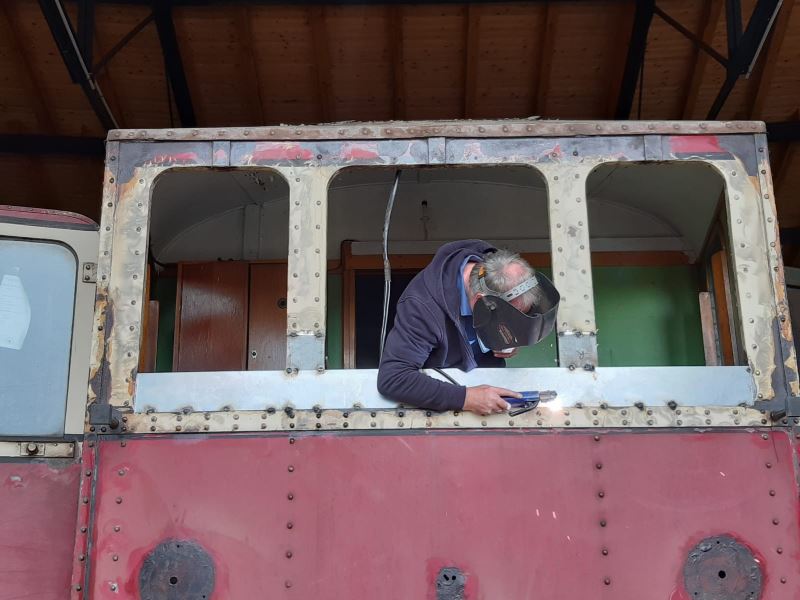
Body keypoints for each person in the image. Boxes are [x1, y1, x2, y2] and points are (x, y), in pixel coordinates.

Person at [377, 240, 558, 415]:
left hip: (489, 394)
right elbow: (394, 378)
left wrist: (509, 336)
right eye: (507, 318)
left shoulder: (494, 268)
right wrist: (466, 398)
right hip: (440, 407)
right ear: (481, 301)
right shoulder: (422, 307)